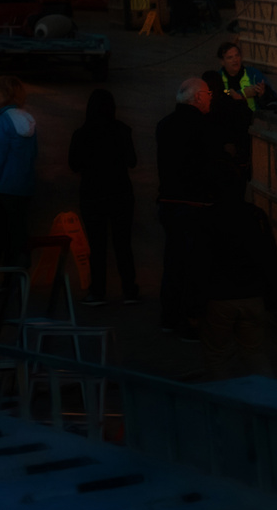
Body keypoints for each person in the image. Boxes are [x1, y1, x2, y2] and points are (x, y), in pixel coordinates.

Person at [156, 77, 236, 338]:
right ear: (198, 97)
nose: (211, 97)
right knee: (195, 266)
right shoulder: (204, 127)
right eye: (209, 94)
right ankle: (191, 319)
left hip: (169, 204)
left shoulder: (164, 126)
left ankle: (168, 317)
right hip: (196, 205)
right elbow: (214, 166)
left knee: (172, 262)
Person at [68, 89, 139, 305]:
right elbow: (132, 161)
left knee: (97, 246)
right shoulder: (122, 130)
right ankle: (129, 290)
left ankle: (97, 291)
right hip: (120, 193)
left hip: (93, 194)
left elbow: (74, 164)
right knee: (123, 244)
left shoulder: (81, 134)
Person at [195, 202, 277, 380]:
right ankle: (269, 397)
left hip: (219, 298)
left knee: (216, 356)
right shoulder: (256, 215)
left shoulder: (205, 217)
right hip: (252, 296)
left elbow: (198, 262)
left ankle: (223, 400)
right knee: (254, 353)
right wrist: (272, 295)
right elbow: (270, 256)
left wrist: (194, 304)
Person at [0, 76, 38, 267]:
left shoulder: (2, 121)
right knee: (19, 233)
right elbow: (33, 156)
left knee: (3, 234)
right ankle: (21, 279)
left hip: (4, 187)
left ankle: (8, 282)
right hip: (24, 187)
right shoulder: (28, 119)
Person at [208, 42, 269, 184]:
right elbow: (216, 95)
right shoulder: (217, 79)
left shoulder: (254, 74)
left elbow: (273, 98)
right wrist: (235, 94)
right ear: (222, 61)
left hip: (253, 123)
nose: (235, 60)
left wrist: (262, 94)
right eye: (230, 58)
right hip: (228, 128)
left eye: (237, 56)